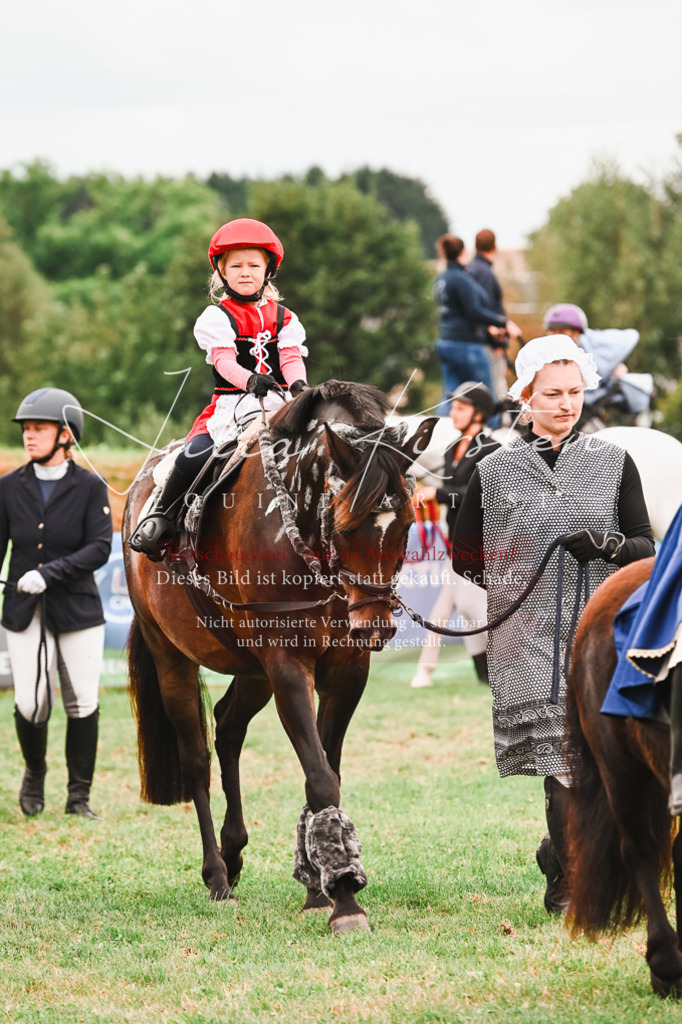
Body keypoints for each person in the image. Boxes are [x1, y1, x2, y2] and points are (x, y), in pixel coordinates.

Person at [450, 336, 655, 912]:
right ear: (526, 396)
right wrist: (514, 584)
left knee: (604, 759)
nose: (566, 404)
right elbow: (463, 555)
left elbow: (646, 546)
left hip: (603, 636)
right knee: (561, 763)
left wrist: (609, 544)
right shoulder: (492, 471)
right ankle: (569, 881)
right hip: (528, 635)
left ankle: (559, 851)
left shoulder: (614, 461)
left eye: (575, 393)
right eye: (553, 394)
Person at [129, 218, 309, 558]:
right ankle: (161, 518)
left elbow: (289, 357)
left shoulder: (286, 318)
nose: (245, 272)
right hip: (231, 407)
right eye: (236, 266)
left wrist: (299, 384)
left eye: (253, 265)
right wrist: (249, 379)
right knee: (192, 456)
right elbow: (224, 363)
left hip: (281, 404)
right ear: (222, 273)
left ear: (267, 270)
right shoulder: (215, 317)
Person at [0, 388, 113, 819]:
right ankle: (34, 774)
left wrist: (47, 573)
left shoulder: (89, 487)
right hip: (23, 610)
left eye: (38, 428)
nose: (29, 436)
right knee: (31, 702)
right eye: (26, 429)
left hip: (78, 611)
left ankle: (78, 797)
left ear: (65, 434)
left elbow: (100, 548)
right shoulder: (8, 487)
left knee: (82, 700)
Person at [409, 382, 500, 688]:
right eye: (455, 406)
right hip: (455, 540)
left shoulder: (492, 450)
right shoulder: (452, 450)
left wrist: (438, 493)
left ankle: (433, 669)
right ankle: (473, 672)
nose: (454, 412)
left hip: (479, 542)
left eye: (461, 407)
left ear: (479, 413)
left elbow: (481, 493)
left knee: (467, 607)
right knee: (447, 608)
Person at [433, 235, 521, 416]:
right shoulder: (461, 279)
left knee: (450, 393)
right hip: (467, 344)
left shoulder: (441, 280)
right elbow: (474, 311)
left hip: (445, 341)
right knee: (486, 394)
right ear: (463, 252)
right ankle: (493, 436)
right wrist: (503, 322)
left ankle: (438, 431)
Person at [543, 303, 651, 423]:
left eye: (561, 331)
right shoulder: (549, 357)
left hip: (586, 414)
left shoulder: (587, 354)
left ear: (576, 333)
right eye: (551, 330)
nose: (554, 335)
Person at [467, 229, 512, 404]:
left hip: (475, 339)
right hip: (488, 341)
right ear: (494, 246)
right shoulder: (484, 272)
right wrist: (497, 341)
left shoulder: (470, 269)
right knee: (495, 386)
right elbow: (486, 308)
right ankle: (500, 423)